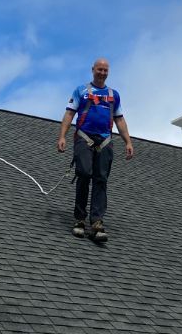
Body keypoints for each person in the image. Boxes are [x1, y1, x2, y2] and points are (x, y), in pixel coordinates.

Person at [57, 58, 133, 242]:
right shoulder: (81, 91)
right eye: (99, 69)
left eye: (105, 70)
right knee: (84, 173)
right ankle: (80, 219)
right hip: (84, 137)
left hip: (105, 140)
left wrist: (128, 142)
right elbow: (69, 113)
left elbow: (119, 119)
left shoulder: (114, 95)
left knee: (101, 180)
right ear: (93, 70)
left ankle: (97, 221)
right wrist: (62, 136)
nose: (102, 73)